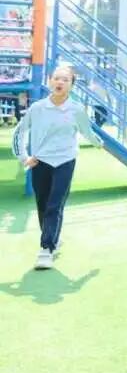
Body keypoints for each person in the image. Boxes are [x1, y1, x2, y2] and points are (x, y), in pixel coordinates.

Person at [13, 65, 104, 270]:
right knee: (43, 204)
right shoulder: (37, 108)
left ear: (71, 85)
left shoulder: (77, 110)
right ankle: (52, 236)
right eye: (56, 78)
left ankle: (46, 249)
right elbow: (20, 132)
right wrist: (24, 157)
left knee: (55, 204)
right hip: (40, 162)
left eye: (65, 79)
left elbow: (87, 132)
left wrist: (98, 143)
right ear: (49, 81)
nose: (60, 82)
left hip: (65, 161)